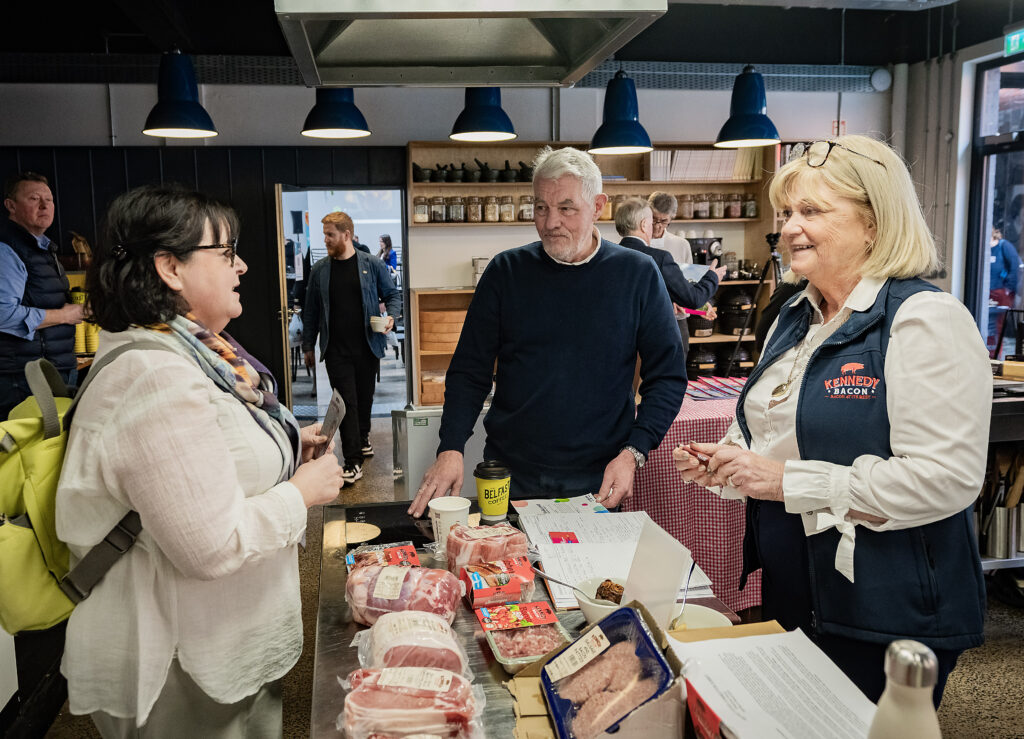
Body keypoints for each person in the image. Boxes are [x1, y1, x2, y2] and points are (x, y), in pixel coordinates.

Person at [673, 136, 990, 706]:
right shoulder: (794, 314)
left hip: (886, 608)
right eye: (786, 213)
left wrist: (783, 481)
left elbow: (947, 479)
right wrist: (730, 462)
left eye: (811, 211)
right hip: (796, 588)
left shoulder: (923, 318)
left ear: (874, 223)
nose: (790, 228)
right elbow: (771, 431)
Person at [55, 185, 344, 736]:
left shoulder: (193, 353)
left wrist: (285, 454)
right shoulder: (153, 375)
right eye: (226, 251)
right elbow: (212, 546)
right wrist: (301, 493)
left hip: (218, 645)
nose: (242, 265)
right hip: (182, 665)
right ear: (170, 267)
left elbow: (212, 459)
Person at [409, 146, 686, 517]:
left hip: (600, 474)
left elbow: (667, 376)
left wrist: (634, 451)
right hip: (510, 471)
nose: (550, 222)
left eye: (566, 208)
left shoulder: (637, 274)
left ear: (598, 206)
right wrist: (451, 447)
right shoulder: (506, 272)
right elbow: (470, 370)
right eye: (541, 207)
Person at [303, 211, 402, 483]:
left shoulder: (372, 264)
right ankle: (353, 461)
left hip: (367, 346)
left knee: (364, 397)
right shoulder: (320, 270)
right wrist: (308, 345)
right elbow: (311, 311)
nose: (325, 240)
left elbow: (392, 295)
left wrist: (391, 317)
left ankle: (363, 436)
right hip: (335, 349)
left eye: (330, 235)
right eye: (325, 234)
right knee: (346, 402)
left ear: (346, 235)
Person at [0, 172, 84, 418]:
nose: (44, 206)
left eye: (49, 199)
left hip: (50, 370)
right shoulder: (6, 250)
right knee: (27, 442)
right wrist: (64, 315)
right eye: (34, 199)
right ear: (11, 206)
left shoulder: (43, 248)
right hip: (23, 377)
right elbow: (3, 314)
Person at [615, 197, 724, 354]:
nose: (656, 226)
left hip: (620, 336)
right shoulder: (660, 258)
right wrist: (712, 277)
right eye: (652, 221)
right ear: (644, 225)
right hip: (656, 334)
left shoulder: (608, 257)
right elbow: (692, 298)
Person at [988, 227, 1022, 354]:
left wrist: (1008, 289)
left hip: (1001, 293)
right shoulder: (984, 249)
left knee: (998, 326)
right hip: (986, 294)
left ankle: (996, 354)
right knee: (988, 325)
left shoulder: (1004, 246)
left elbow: (1015, 268)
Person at [647, 191, 693, 266]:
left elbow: (689, 273)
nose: (657, 226)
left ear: (671, 218)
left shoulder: (682, 245)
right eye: (653, 219)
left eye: (663, 221)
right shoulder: (635, 243)